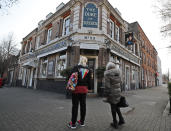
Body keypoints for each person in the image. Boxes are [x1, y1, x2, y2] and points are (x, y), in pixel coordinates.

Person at [68, 56, 92, 129]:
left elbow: (71, 76)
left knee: (75, 106)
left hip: (76, 89)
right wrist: (90, 88)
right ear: (86, 61)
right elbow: (89, 80)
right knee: (83, 105)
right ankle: (82, 122)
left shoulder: (76, 67)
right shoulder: (89, 69)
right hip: (84, 89)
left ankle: (73, 123)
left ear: (80, 60)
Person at [104, 61, 125, 129]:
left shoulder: (107, 74)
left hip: (112, 93)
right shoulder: (118, 72)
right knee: (116, 106)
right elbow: (121, 82)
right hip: (118, 92)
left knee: (113, 108)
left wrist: (107, 94)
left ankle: (115, 123)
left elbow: (107, 86)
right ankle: (121, 119)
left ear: (108, 67)